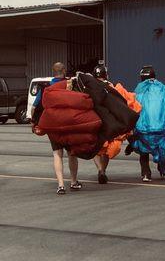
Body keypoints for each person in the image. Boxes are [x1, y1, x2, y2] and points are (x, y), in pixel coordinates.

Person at [31, 62, 82, 194]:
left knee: (57, 154)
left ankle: (60, 185)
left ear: (53, 71)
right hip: (69, 125)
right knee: (72, 154)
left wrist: (34, 122)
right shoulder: (70, 85)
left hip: (53, 126)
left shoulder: (46, 87)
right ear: (64, 71)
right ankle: (73, 182)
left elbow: (35, 106)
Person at [91, 64, 110, 184]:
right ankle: (103, 170)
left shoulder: (89, 87)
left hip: (93, 120)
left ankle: (99, 169)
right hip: (108, 121)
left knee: (94, 148)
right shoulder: (110, 86)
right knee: (107, 149)